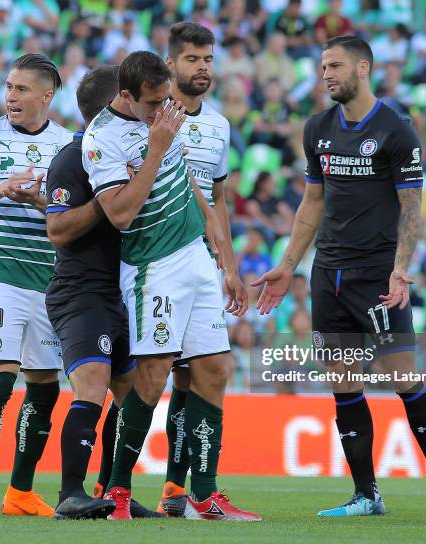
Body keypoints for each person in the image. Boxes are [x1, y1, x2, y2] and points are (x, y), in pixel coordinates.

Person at [253, 36, 426, 519]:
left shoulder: (396, 131)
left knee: (401, 378)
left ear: (364, 68)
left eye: (334, 66)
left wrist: (400, 269)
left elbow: (411, 209)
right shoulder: (317, 128)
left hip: (376, 275)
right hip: (327, 273)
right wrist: (289, 265)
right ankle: (366, 494)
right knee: (344, 385)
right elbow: (312, 201)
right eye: (322, 67)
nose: (326, 74)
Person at [83, 50, 260, 521]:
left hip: (195, 257)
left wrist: (222, 251)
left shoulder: (165, 117)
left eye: (167, 100)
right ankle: (118, 489)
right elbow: (119, 214)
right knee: (156, 371)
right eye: (154, 101)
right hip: (152, 265)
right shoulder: (102, 138)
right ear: (126, 95)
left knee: (216, 368)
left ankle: (202, 495)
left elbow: (192, 182)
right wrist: (158, 146)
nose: (165, 109)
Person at [0, 53, 73, 519]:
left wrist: (40, 200)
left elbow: (73, 217)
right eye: (8, 87)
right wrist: (1, 189)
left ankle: (20, 492)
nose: (10, 97)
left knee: (45, 389)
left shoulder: (67, 145)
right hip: (0, 276)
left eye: (21, 89)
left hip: (49, 281)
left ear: (46, 95)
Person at [45, 65, 161, 520]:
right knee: (92, 383)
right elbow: (57, 229)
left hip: (125, 291)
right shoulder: (72, 160)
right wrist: (106, 197)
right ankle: (69, 493)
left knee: (131, 393)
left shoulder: (135, 153)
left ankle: (115, 493)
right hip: (81, 290)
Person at [157, 22, 248, 517]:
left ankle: (179, 489)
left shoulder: (218, 126)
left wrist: (229, 268)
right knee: (146, 378)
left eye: (209, 59)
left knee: (195, 376)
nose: (204, 68)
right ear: (171, 63)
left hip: (200, 266)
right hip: (153, 263)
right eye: (193, 59)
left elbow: (220, 199)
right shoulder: (152, 117)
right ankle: (116, 486)